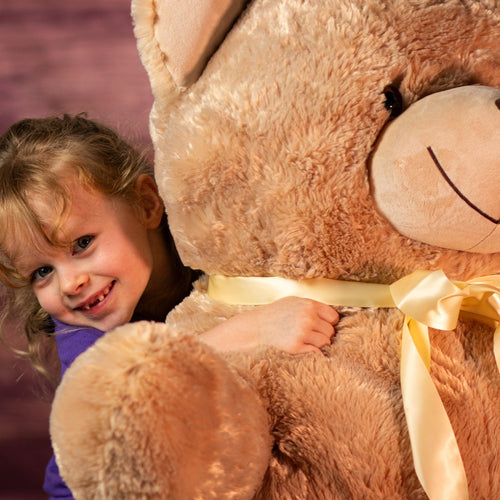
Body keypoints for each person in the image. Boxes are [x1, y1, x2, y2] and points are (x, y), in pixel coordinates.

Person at [0, 114, 339, 499]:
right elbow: (125, 399)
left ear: (146, 204)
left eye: (82, 244)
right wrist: (254, 330)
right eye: (42, 271)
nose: (69, 283)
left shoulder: (207, 247)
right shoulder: (81, 333)